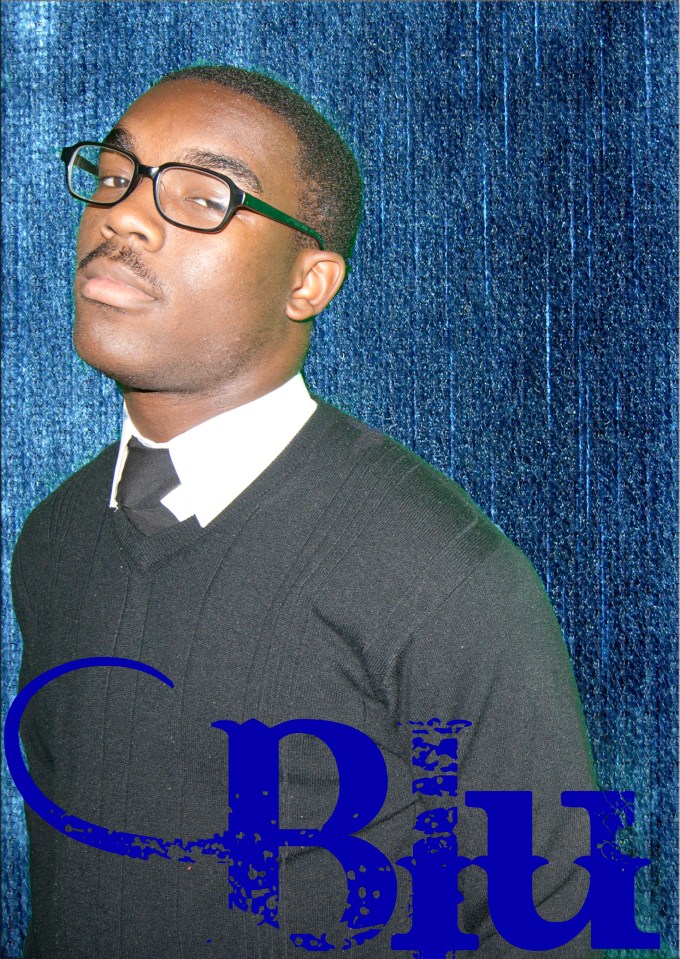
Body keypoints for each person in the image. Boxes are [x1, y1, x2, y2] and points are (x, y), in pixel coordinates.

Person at [12, 66, 599, 958]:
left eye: (203, 197)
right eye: (115, 175)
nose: (123, 215)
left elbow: (549, 915)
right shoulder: (53, 537)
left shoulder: (441, 574)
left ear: (310, 283)